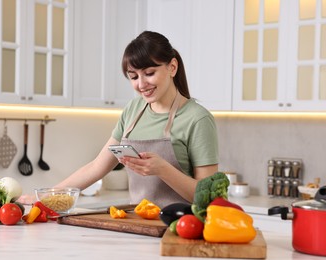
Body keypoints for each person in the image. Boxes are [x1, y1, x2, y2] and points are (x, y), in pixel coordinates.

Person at [54, 31, 219, 208]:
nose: (141, 85)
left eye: (149, 73)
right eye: (133, 76)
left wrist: (162, 169)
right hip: (138, 223)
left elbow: (207, 197)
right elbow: (96, 167)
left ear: (172, 67)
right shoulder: (133, 110)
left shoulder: (197, 119)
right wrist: (50, 196)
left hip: (181, 228)